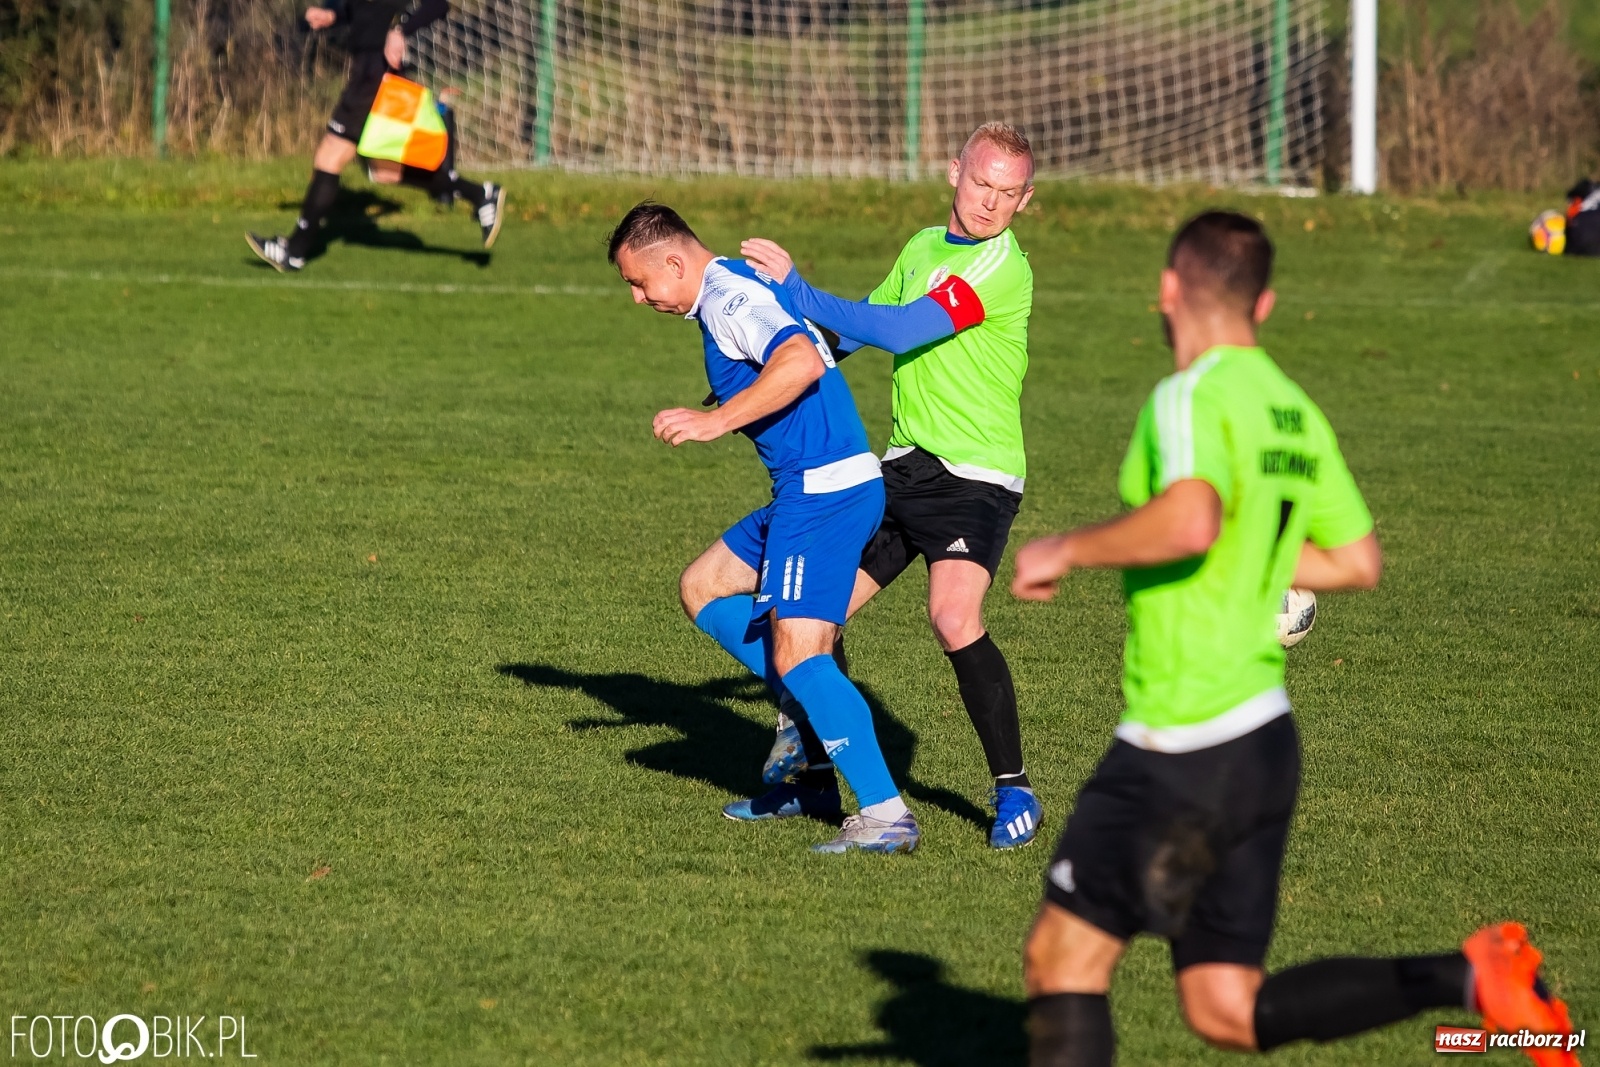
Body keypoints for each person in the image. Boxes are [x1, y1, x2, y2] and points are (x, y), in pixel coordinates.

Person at [1010, 211, 1578, 1067]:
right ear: (1265, 304)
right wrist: (1250, 551)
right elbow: (1355, 560)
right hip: (1263, 745)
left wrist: (1066, 547)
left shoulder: (1189, 395)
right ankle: (1468, 977)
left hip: (1183, 743)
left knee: (1062, 962)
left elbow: (1192, 518)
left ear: (1168, 290)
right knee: (1225, 1006)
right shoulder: (1292, 411)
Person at [738, 121, 1042, 849]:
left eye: (1007, 193)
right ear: (954, 171)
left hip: (974, 476)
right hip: (902, 467)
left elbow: (903, 331)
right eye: (981, 183)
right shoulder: (922, 246)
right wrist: (770, 365)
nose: (990, 203)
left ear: (1025, 200)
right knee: (809, 619)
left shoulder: (1001, 265)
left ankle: (1015, 789)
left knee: (953, 617)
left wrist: (799, 288)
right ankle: (814, 777)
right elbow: (854, 332)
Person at [608, 201, 919, 854]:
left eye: (639, 281)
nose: (637, 297)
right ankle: (809, 753)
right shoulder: (731, 288)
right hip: (804, 492)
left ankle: (885, 811)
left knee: (801, 655)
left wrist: (716, 420)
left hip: (824, 493)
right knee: (703, 586)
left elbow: (801, 360)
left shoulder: (727, 298)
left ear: (674, 262)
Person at [246, 0, 505, 273]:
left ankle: (294, 251)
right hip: (368, 70)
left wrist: (401, 32)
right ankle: (479, 194)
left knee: (330, 155)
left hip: (376, 73)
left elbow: (438, 4)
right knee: (384, 171)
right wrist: (333, 14)